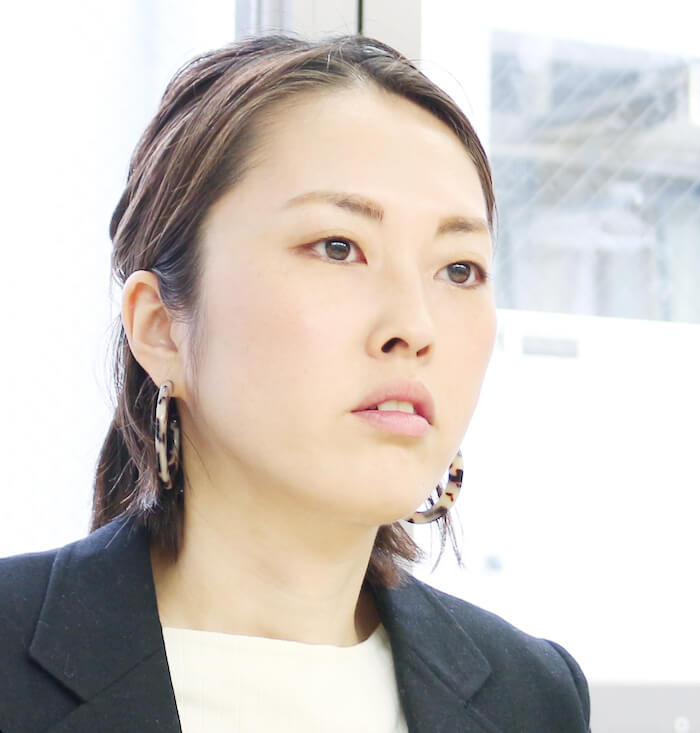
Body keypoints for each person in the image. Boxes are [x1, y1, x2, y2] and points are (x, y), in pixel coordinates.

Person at [0, 34, 590, 732]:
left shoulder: (532, 697)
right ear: (160, 327)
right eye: (338, 248)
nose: (414, 325)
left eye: (459, 269)